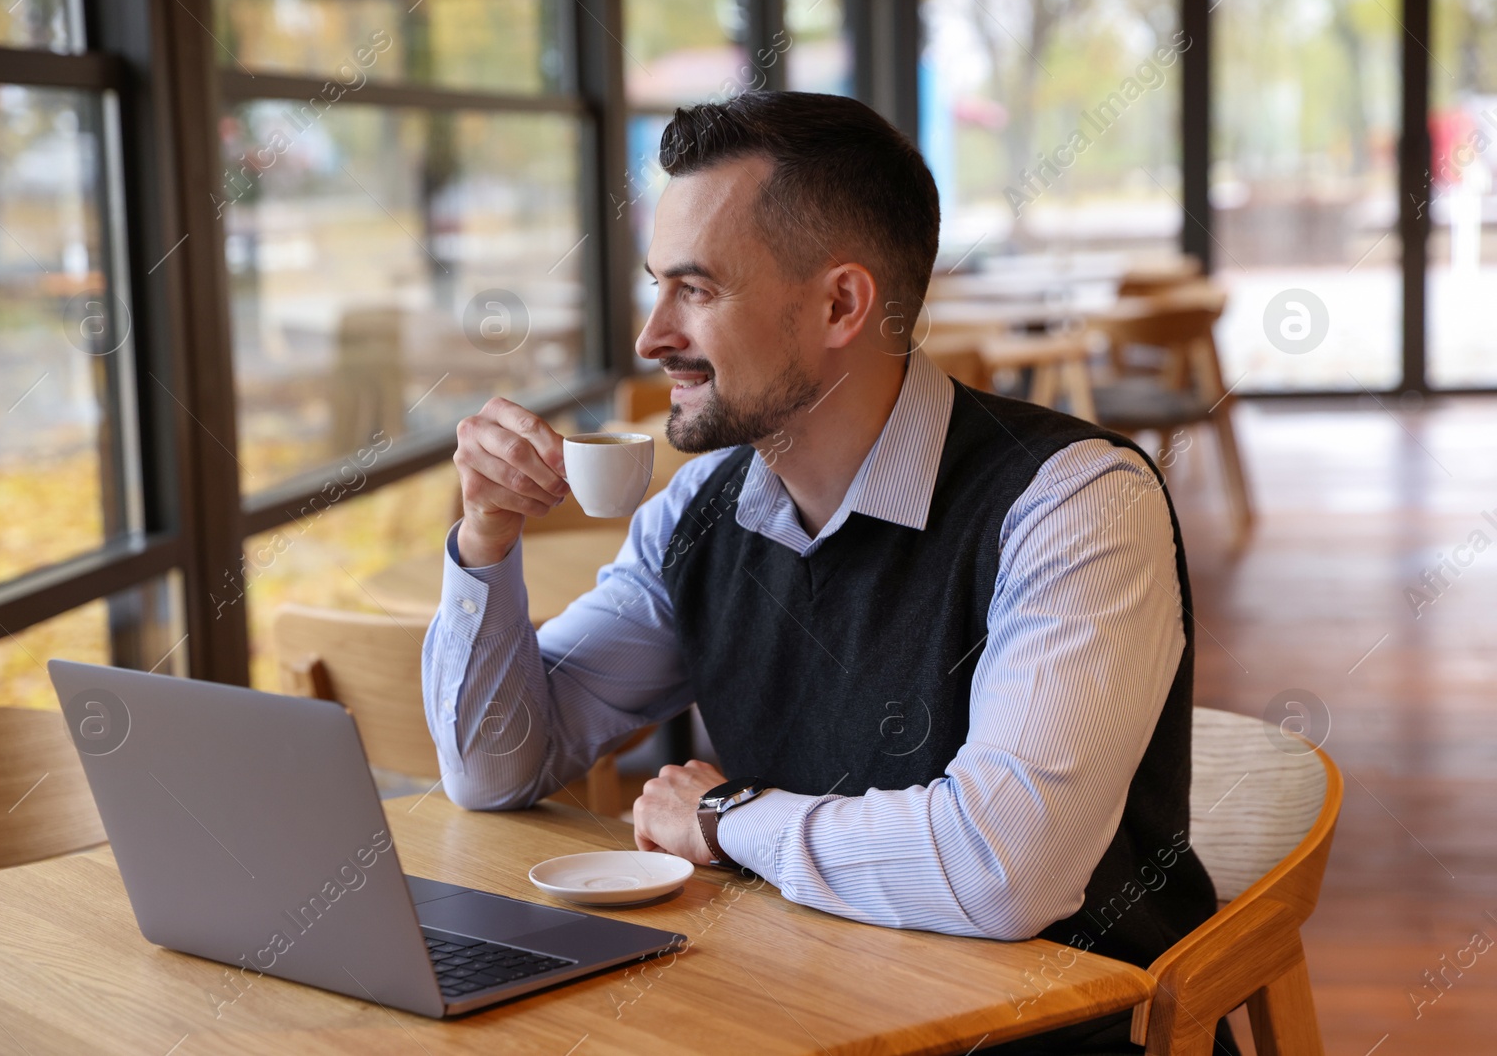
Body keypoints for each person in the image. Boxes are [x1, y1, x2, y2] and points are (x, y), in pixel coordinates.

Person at [423, 91, 1233, 1054]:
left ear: (842, 303)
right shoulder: (698, 511)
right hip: (796, 1011)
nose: (650, 336)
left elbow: (1005, 868)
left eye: (696, 289)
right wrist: (486, 536)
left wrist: (726, 818)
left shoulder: (1074, 501)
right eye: (656, 286)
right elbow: (498, 768)